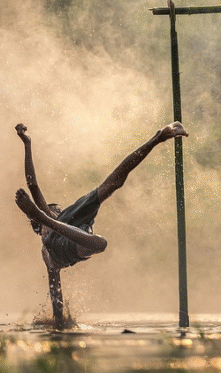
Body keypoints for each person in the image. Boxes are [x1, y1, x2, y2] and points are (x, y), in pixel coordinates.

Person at [14, 121, 187, 328]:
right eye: (53, 210)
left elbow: (33, 185)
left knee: (112, 185)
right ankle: (157, 138)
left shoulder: (70, 216)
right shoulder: (47, 237)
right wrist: (59, 320)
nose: (57, 210)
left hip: (74, 230)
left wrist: (27, 143)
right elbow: (32, 184)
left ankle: (159, 137)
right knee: (99, 243)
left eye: (55, 210)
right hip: (62, 242)